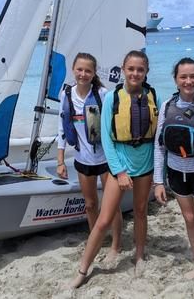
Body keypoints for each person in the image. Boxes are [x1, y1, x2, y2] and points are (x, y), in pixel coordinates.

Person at [71, 50, 159, 288]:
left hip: (145, 166)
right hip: (120, 166)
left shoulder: (152, 95)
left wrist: (159, 175)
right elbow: (108, 140)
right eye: (131, 69)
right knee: (103, 218)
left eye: (140, 69)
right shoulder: (112, 97)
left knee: (141, 212)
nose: (135, 73)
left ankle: (139, 255)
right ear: (123, 69)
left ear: (146, 72)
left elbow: (157, 138)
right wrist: (119, 172)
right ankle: (83, 268)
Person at [153, 57, 194, 291]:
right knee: (189, 220)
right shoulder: (167, 106)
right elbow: (159, 145)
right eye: (183, 77)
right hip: (176, 172)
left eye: (193, 76)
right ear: (175, 79)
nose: (188, 81)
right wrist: (158, 181)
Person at [57, 52, 122, 262]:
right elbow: (61, 128)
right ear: (73, 70)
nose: (83, 74)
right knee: (90, 204)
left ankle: (116, 244)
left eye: (88, 71)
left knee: (112, 206)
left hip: (105, 159)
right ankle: (97, 238)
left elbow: (116, 123)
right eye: (79, 69)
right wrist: (60, 160)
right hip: (82, 160)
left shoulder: (103, 94)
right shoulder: (66, 94)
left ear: (94, 73)